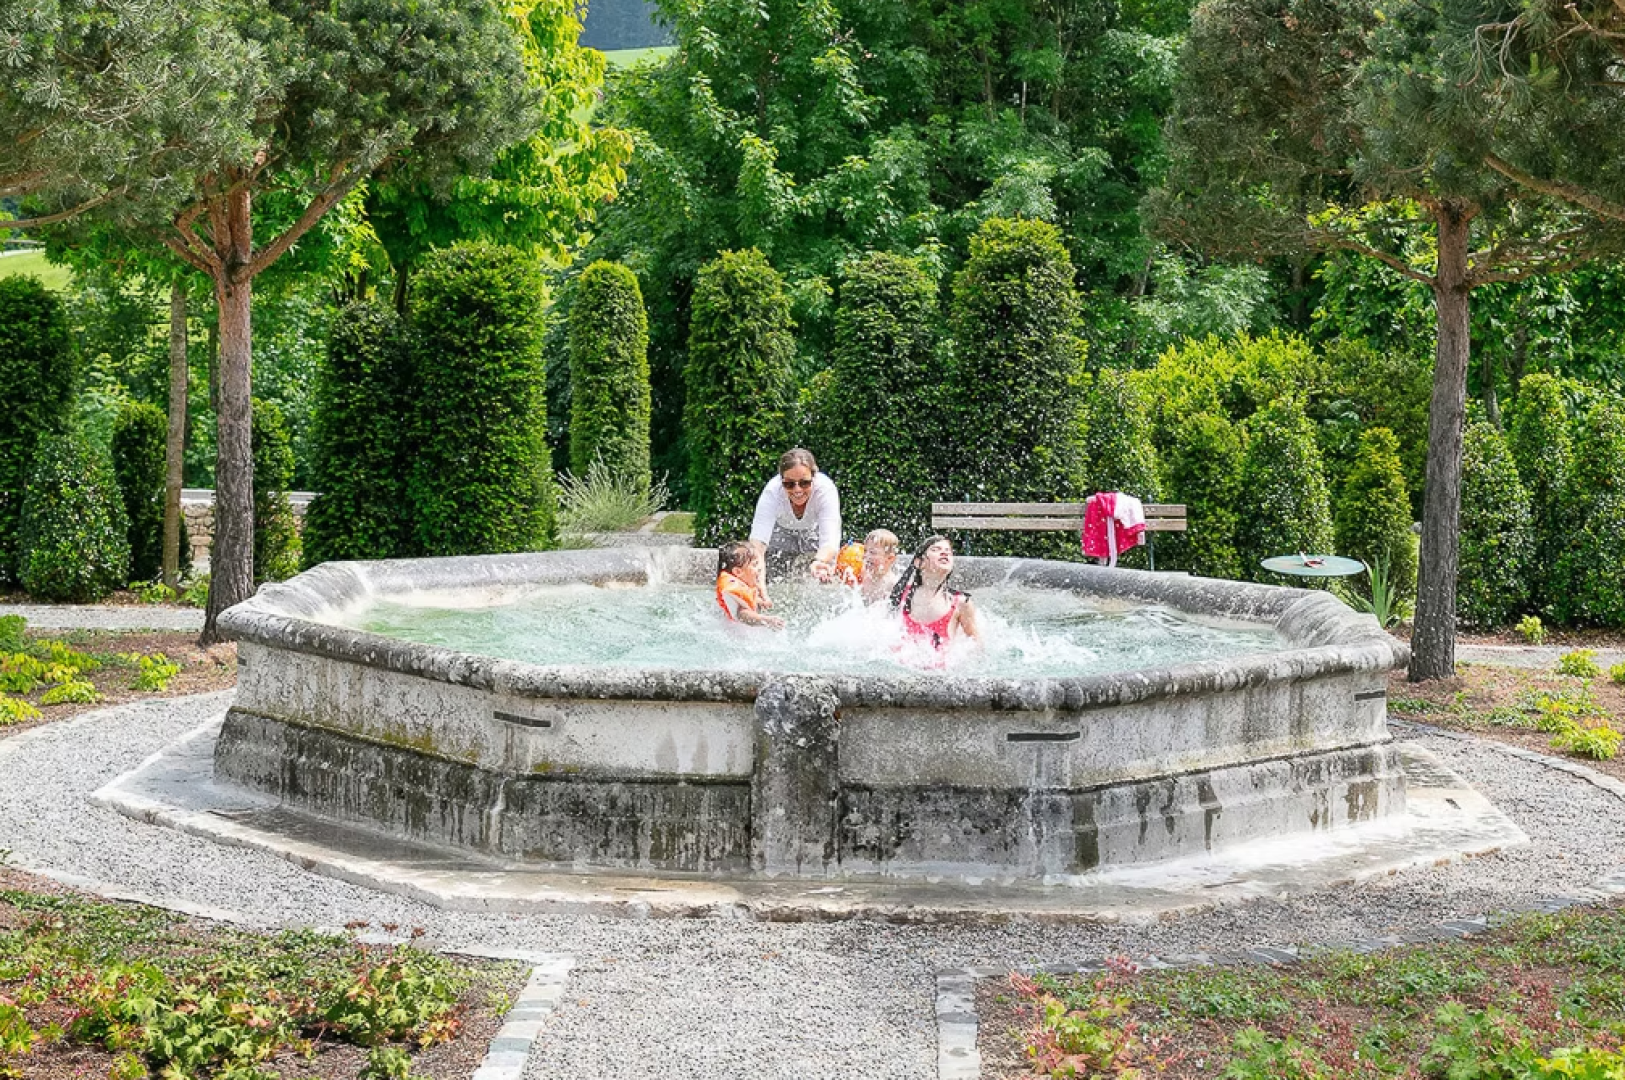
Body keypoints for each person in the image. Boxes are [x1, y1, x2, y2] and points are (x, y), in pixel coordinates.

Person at [748, 448, 841, 586]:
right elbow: (758, 544)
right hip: (780, 532)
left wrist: (819, 562)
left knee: (826, 571)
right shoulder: (772, 492)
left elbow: (830, 541)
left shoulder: (825, 490)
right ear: (781, 481)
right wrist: (759, 587)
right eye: (789, 484)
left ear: (814, 477)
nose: (797, 490)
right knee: (771, 575)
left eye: (804, 483)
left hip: (813, 532)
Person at [889, 535, 982, 651]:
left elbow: (977, 646)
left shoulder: (961, 603)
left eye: (948, 551)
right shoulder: (901, 594)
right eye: (936, 550)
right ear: (919, 563)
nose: (944, 553)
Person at [715, 541, 784, 630]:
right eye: (755, 564)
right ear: (738, 572)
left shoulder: (743, 586)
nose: (759, 568)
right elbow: (742, 614)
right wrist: (766, 620)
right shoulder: (735, 590)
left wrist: (760, 601)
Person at [835, 529, 902, 605]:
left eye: (872, 552)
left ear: (890, 559)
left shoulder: (893, 584)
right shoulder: (863, 576)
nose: (866, 556)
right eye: (865, 551)